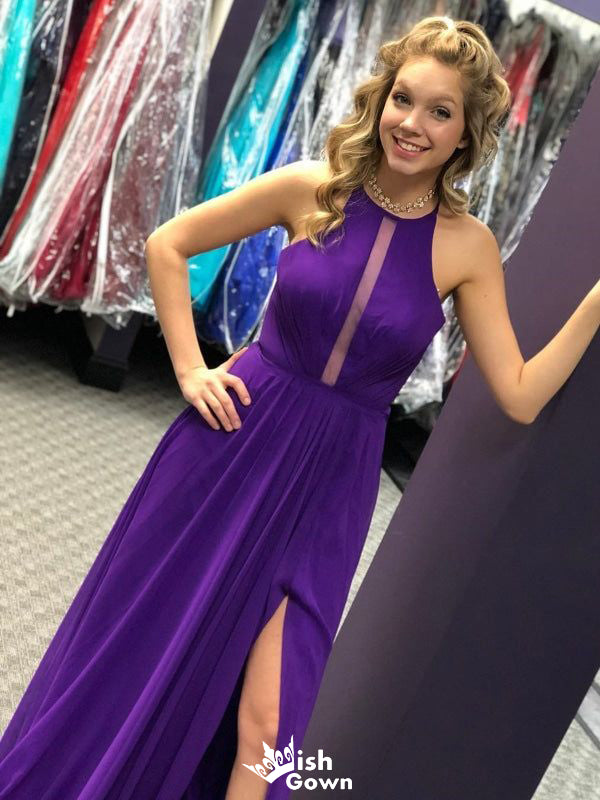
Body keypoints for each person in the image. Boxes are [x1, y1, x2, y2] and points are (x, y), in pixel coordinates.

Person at [1, 14, 599, 800]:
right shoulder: (311, 188)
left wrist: (595, 304)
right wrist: (189, 369)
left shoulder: (468, 247)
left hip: (332, 486)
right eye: (403, 99)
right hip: (230, 445)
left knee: (270, 725)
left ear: (467, 133)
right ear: (380, 98)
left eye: (439, 111)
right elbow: (168, 245)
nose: (412, 124)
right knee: (143, 647)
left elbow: (518, 393)